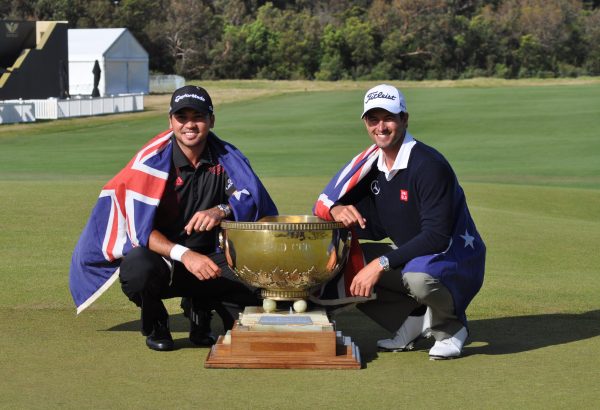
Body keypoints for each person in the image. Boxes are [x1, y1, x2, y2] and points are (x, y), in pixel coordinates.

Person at [70, 85, 278, 351]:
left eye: (198, 116)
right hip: (164, 260)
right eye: (182, 117)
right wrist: (186, 256)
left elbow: (252, 201)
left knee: (260, 275)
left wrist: (221, 210)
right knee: (137, 268)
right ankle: (157, 322)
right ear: (170, 121)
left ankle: (201, 306)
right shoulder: (150, 163)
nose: (190, 125)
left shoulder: (227, 158)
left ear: (211, 120)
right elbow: (141, 232)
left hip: (212, 258)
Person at [313, 84, 485, 360]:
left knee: (417, 278)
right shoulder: (371, 167)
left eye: (389, 118)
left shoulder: (428, 165)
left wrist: (379, 265)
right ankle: (412, 320)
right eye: (373, 119)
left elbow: (437, 237)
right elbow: (331, 202)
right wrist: (336, 210)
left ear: (404, 119)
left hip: (455, 257)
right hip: (414, 256)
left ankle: (451, 329)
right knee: (343, 260)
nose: (380, 127)